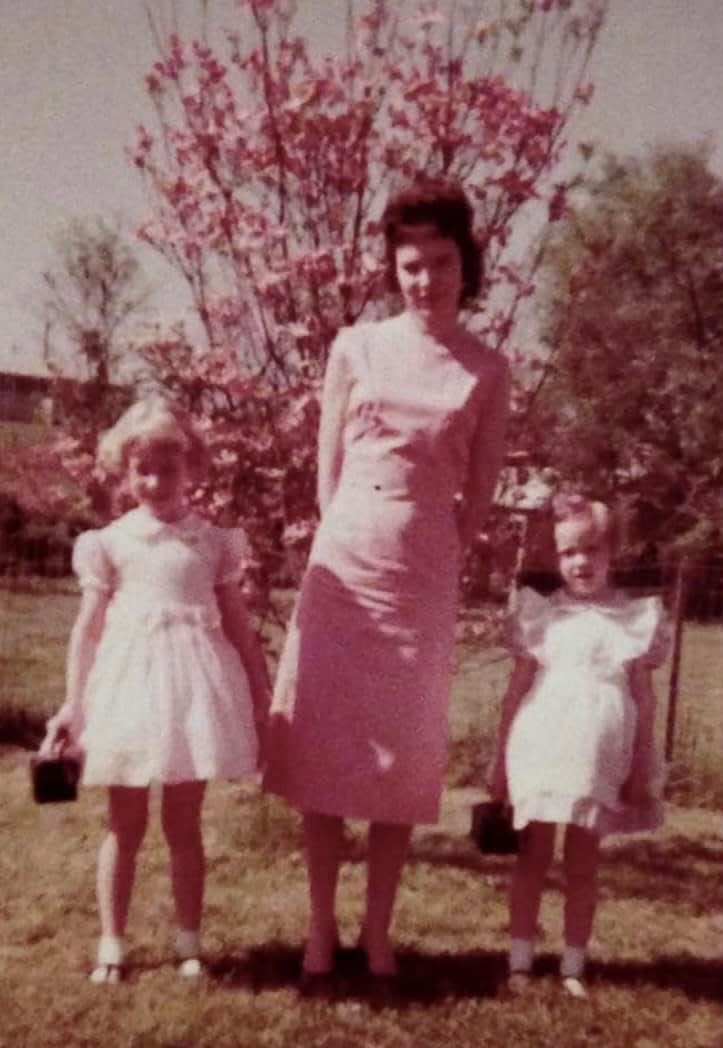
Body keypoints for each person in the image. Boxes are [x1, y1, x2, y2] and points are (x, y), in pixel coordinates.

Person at [265, 179, 511, 983]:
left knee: (401, 764)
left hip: (422, 576)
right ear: (393, 269)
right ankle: (319, 925)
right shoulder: (355, 347)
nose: (424, 279)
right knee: (326, 756)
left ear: (463, 265)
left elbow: (479, 492)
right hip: (345, 568)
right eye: (409, 264)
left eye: (439, 262)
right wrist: (354, 534)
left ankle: (376, 932)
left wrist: (435, 546)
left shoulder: (485, 367)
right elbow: (326, 471)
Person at [40, 396, 271, 984]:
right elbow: (87, 631)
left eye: (168, 469)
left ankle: (189, 940)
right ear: (125, 472)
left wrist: (261, 697)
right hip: (129, 693)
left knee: (184, 823)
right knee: (125, 823)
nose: (155, 481)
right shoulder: (111, 543)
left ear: (191, 468)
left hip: (193, 694)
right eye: (142, 469)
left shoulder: (213, 543)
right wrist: (73, 702)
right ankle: (112, 941)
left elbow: (241, 631)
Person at [490, 494, 670, 999]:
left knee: (583, 863)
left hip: (599, 756)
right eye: (568, 552)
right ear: (556, 556)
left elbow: (643, 699)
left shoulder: (633, 620)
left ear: (613, 551)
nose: (580, 562)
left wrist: (640, 764)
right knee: (532, 856)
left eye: (591, 550)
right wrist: (500, 761)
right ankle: (520, 961)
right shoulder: (541, 614)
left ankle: (573, 965)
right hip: (541, 746)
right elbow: (516, 691)